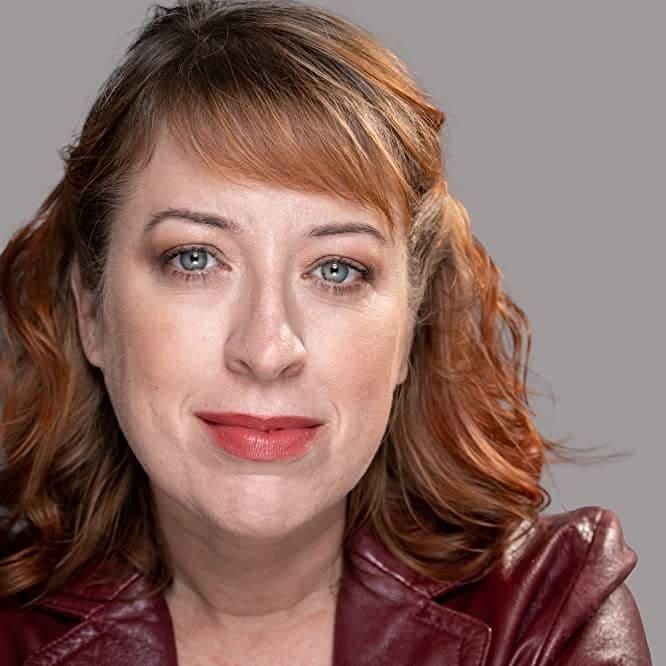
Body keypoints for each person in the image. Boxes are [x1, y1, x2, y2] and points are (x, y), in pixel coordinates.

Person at [0, 1, 652, 664]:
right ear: (91, 310)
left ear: (411, 324)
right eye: (194, 258)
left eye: (336, 269)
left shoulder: (546, 614)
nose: (267, 350)